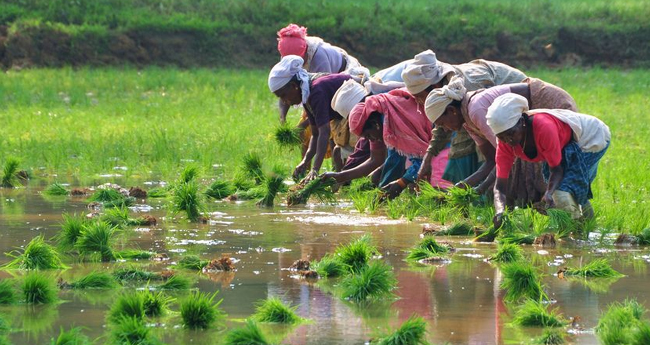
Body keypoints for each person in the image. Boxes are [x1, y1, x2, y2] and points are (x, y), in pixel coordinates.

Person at [424, 76, 579, 206]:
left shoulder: (476, 110)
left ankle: (574, 216)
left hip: (547, 103)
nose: (445, 129)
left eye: (442, 123)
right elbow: (493, 159)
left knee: (552, 169)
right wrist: (465, 186)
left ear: (452, 111)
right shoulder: (467, 121)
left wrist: (481, 188)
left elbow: (508, 154)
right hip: (525, 122)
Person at [401, 49, 528, 184]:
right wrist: (428, 159)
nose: (420, 102)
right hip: (488, 108)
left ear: (434, 86)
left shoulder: (467, 92)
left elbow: (502, 148)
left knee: (503, 146)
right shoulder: (449, 100)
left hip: (517, 98)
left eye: (420, 97)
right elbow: (442, 124)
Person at [486, 93, 610, 226]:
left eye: (511, 134)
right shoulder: (505, 143)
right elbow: (500, 187)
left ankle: (576, 231)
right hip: (565, 145)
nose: (508, 140)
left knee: (563, 192)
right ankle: (585, 228)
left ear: (522, 122)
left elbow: (556, 170)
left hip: (590, 137)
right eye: (502, 137)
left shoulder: (543, 127)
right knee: (567, 191)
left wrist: (549, 193)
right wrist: (499, 212)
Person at [343, 85, 449, 199]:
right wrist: (383, 185)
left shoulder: (396, 121)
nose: (371, 140)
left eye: (368, 136)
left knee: (439, 190)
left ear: (375, 124)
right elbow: (394, 159)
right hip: (437, 141)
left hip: (445, 137)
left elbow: (422, 162)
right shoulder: (387, 118)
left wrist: (400, 184)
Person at [268, 55, 352, 181]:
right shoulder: (306, 93)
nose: (285, 101)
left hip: (360, 109)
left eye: (284, 95)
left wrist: (315, 169)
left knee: (345, 153)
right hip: (345, 115)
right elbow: (316, 134)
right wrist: (305, 161)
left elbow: (324, 132)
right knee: (339, 153)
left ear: (293, 86)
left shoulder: (316, 90)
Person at [276, 23, 369, 123]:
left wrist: (304, 125)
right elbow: (285, 89)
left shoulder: (319, 58)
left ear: (306, 50)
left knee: (337, 118)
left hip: (344, 78)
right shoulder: (289, 60)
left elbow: (324, 101)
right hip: (322, 85)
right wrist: (282, 118)